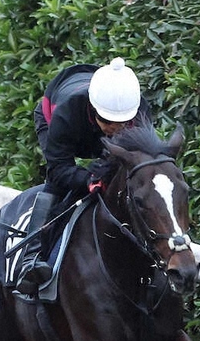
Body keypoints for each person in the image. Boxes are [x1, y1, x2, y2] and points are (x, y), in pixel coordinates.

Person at [14, 57, 152, 295]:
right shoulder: (68, 112)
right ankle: (32, 256)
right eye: (108, 122)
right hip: (56, 116)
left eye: (123, 123)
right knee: (58, 184)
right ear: (93, 109)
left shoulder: (140, 114)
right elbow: (59, 169)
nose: (115, 130)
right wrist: (89, 180)